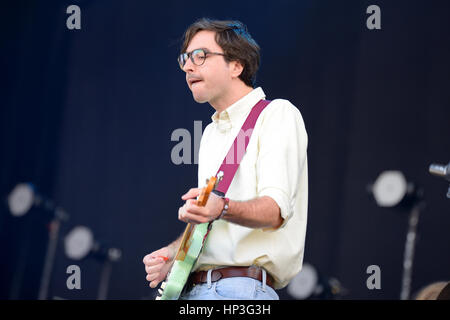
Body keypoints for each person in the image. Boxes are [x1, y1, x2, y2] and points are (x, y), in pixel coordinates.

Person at [143, 18, 308, 300]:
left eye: (200, 56)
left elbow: (275, 210)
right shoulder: (210, 133)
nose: (188, 66)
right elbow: (212, 218)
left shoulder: (276, 114)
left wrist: (222, 207)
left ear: (236, 65)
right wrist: (173, 253)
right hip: (197, 289)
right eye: (185, 58)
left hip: (241, 290)